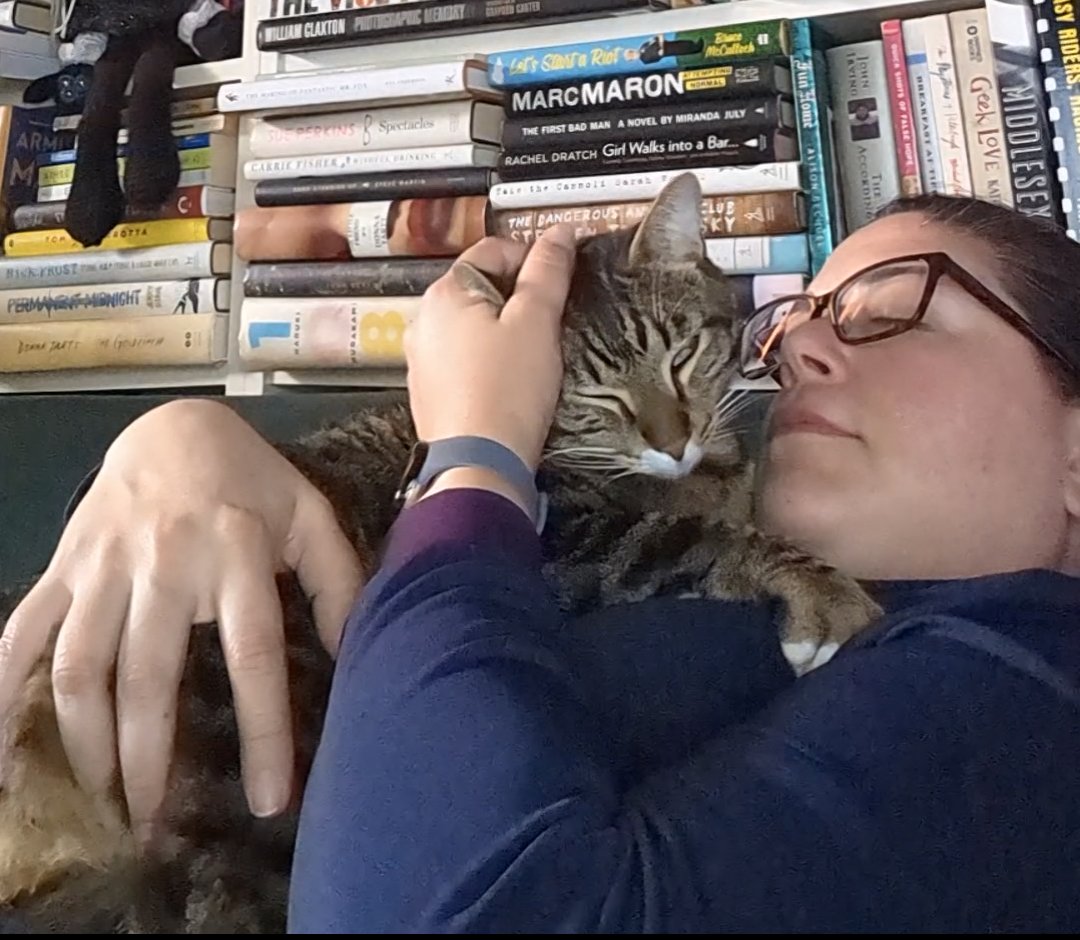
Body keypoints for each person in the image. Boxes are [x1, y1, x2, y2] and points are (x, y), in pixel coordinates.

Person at [2, 194, 1080, 932]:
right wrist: (179, 439)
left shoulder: (1024, 691)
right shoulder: (813, 612)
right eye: (793, 320)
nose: (796, 344)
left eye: (889, 312)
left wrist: (474, 456)